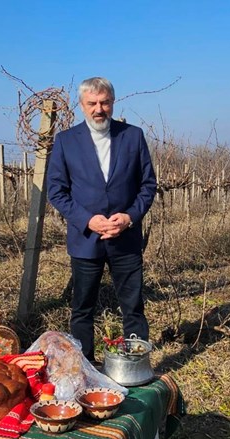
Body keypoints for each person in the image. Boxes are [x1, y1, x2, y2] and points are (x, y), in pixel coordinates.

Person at [46, 77, 157, 362]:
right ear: (82, 105)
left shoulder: (132, 136)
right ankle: (85, 368)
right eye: (92, 103)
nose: (99, 109)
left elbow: (148, 185)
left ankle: (135, 366)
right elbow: (56, 191)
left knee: (133, 307)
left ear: (113, 103)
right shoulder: (66, 141)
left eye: (104, 102)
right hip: (86, 240)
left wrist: (129, 217)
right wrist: (87, 220)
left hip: (125, 239)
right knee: (82, 308)